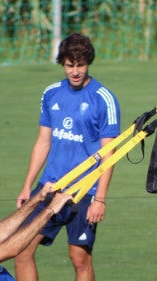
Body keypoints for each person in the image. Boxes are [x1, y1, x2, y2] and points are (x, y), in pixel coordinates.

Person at [14, 33, 121, 281]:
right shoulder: (51, 93)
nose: (75, 71)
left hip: (84, 191)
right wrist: (27, 186)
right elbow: (43, 141)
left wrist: (100, 199)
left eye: (80, 65)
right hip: (50, 186)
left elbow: (110, 154)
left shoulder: (104, 98)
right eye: (70, 65)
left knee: (79, 259)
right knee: (21, 250)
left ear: (88, 63)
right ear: (62, 64)